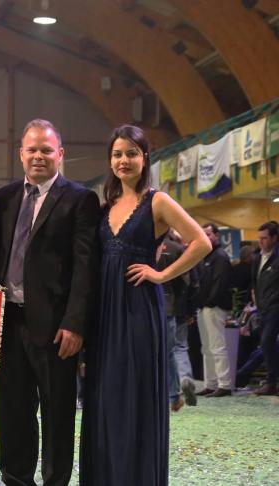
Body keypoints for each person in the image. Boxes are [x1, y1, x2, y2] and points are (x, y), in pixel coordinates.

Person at [79, 124, 210, 485]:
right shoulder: (105, 206)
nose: (124, 160)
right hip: (105, 314)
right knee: (105, 396)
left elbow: (201, 242)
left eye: (131, 153)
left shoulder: (158, 201)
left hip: (138, 311)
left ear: (145, 157)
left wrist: (161, 274)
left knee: (134, 394)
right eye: (118, 154)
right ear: (111, 159)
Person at [0, 119, 101, 486]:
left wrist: (75, 323)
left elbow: (86, 267)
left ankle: (56, 480)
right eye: (32, 150)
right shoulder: (4, 198)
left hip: (57, 327)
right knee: (13, 408)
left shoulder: (80, 199)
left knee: (57, 411)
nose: (39, 156)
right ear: (21, 153)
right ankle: (16, 478)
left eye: (46, 150)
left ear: (60, 154)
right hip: (9, 322)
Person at [157, 234, 199, 411]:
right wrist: (189, 310)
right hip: (173, 307)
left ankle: (149, 394)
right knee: (175, 349)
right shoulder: (177, 249)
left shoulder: (142, 244)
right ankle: (180, 385)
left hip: (146, 305)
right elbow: (190, 283)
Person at [195, 223, 234, 397]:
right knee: (206, 348)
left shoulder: (220, 256)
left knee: (217, 346)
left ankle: (224, 384)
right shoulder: (207, 256)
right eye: (204, 234)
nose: (207, 237)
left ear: (217, 235)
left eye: (209, 234)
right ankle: (210, 383)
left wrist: (208, 303)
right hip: (205, 307)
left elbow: (219, 284)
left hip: (214, 307)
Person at [252, 221, 279, 396]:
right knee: (266, 343)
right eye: (259, 238)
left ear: (275, 238)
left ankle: (272, 381)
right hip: (262, 308)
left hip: (275, 306)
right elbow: (254, 282)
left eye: (265, 238)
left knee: (267, 341)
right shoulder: (257, 257)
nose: (261, 241)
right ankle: (272, 382)